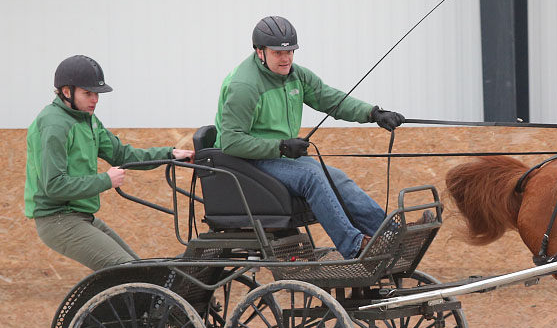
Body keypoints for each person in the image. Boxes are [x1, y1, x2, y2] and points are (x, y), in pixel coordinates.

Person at [215, 15, 406, 258]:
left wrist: (373, 113)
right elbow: (231, 141)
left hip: (278, 156)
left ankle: (389, 234)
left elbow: (331, 99)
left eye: (290, 52)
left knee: (336, 177)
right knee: (312, 175)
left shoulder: (296, 76)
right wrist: (281, 147)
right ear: (260, 52)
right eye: (277, 53)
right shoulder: (245, 86)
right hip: (247, 162)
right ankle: (355, 246)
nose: (286, 59)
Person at [24, 55, 195, 271]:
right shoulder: (54, 125)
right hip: (57, 219)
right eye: (88, 93)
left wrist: (169, 154)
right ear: (67, 92)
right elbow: (55, 185)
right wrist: (105, 180)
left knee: (142, 269)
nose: (95, 99)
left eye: (96, 93)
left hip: (81, 216)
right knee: (125, 271)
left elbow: (122, 155)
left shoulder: (88, 120)